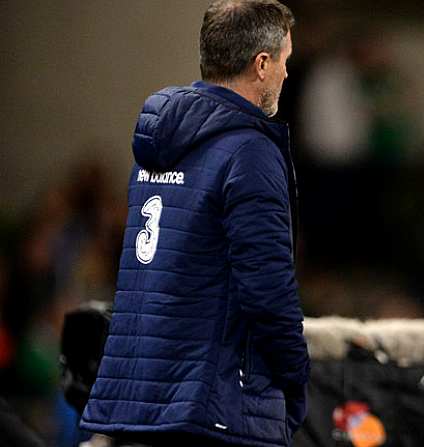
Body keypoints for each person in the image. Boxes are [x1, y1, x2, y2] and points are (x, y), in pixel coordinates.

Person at [80, 1, 309, 446]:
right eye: (285, 60)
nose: (286, 73)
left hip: (132, 400)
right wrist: (295, 379)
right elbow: (266, 289)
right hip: (209, 409)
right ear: (261, 64)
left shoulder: (156, 146)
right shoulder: (250, 152)